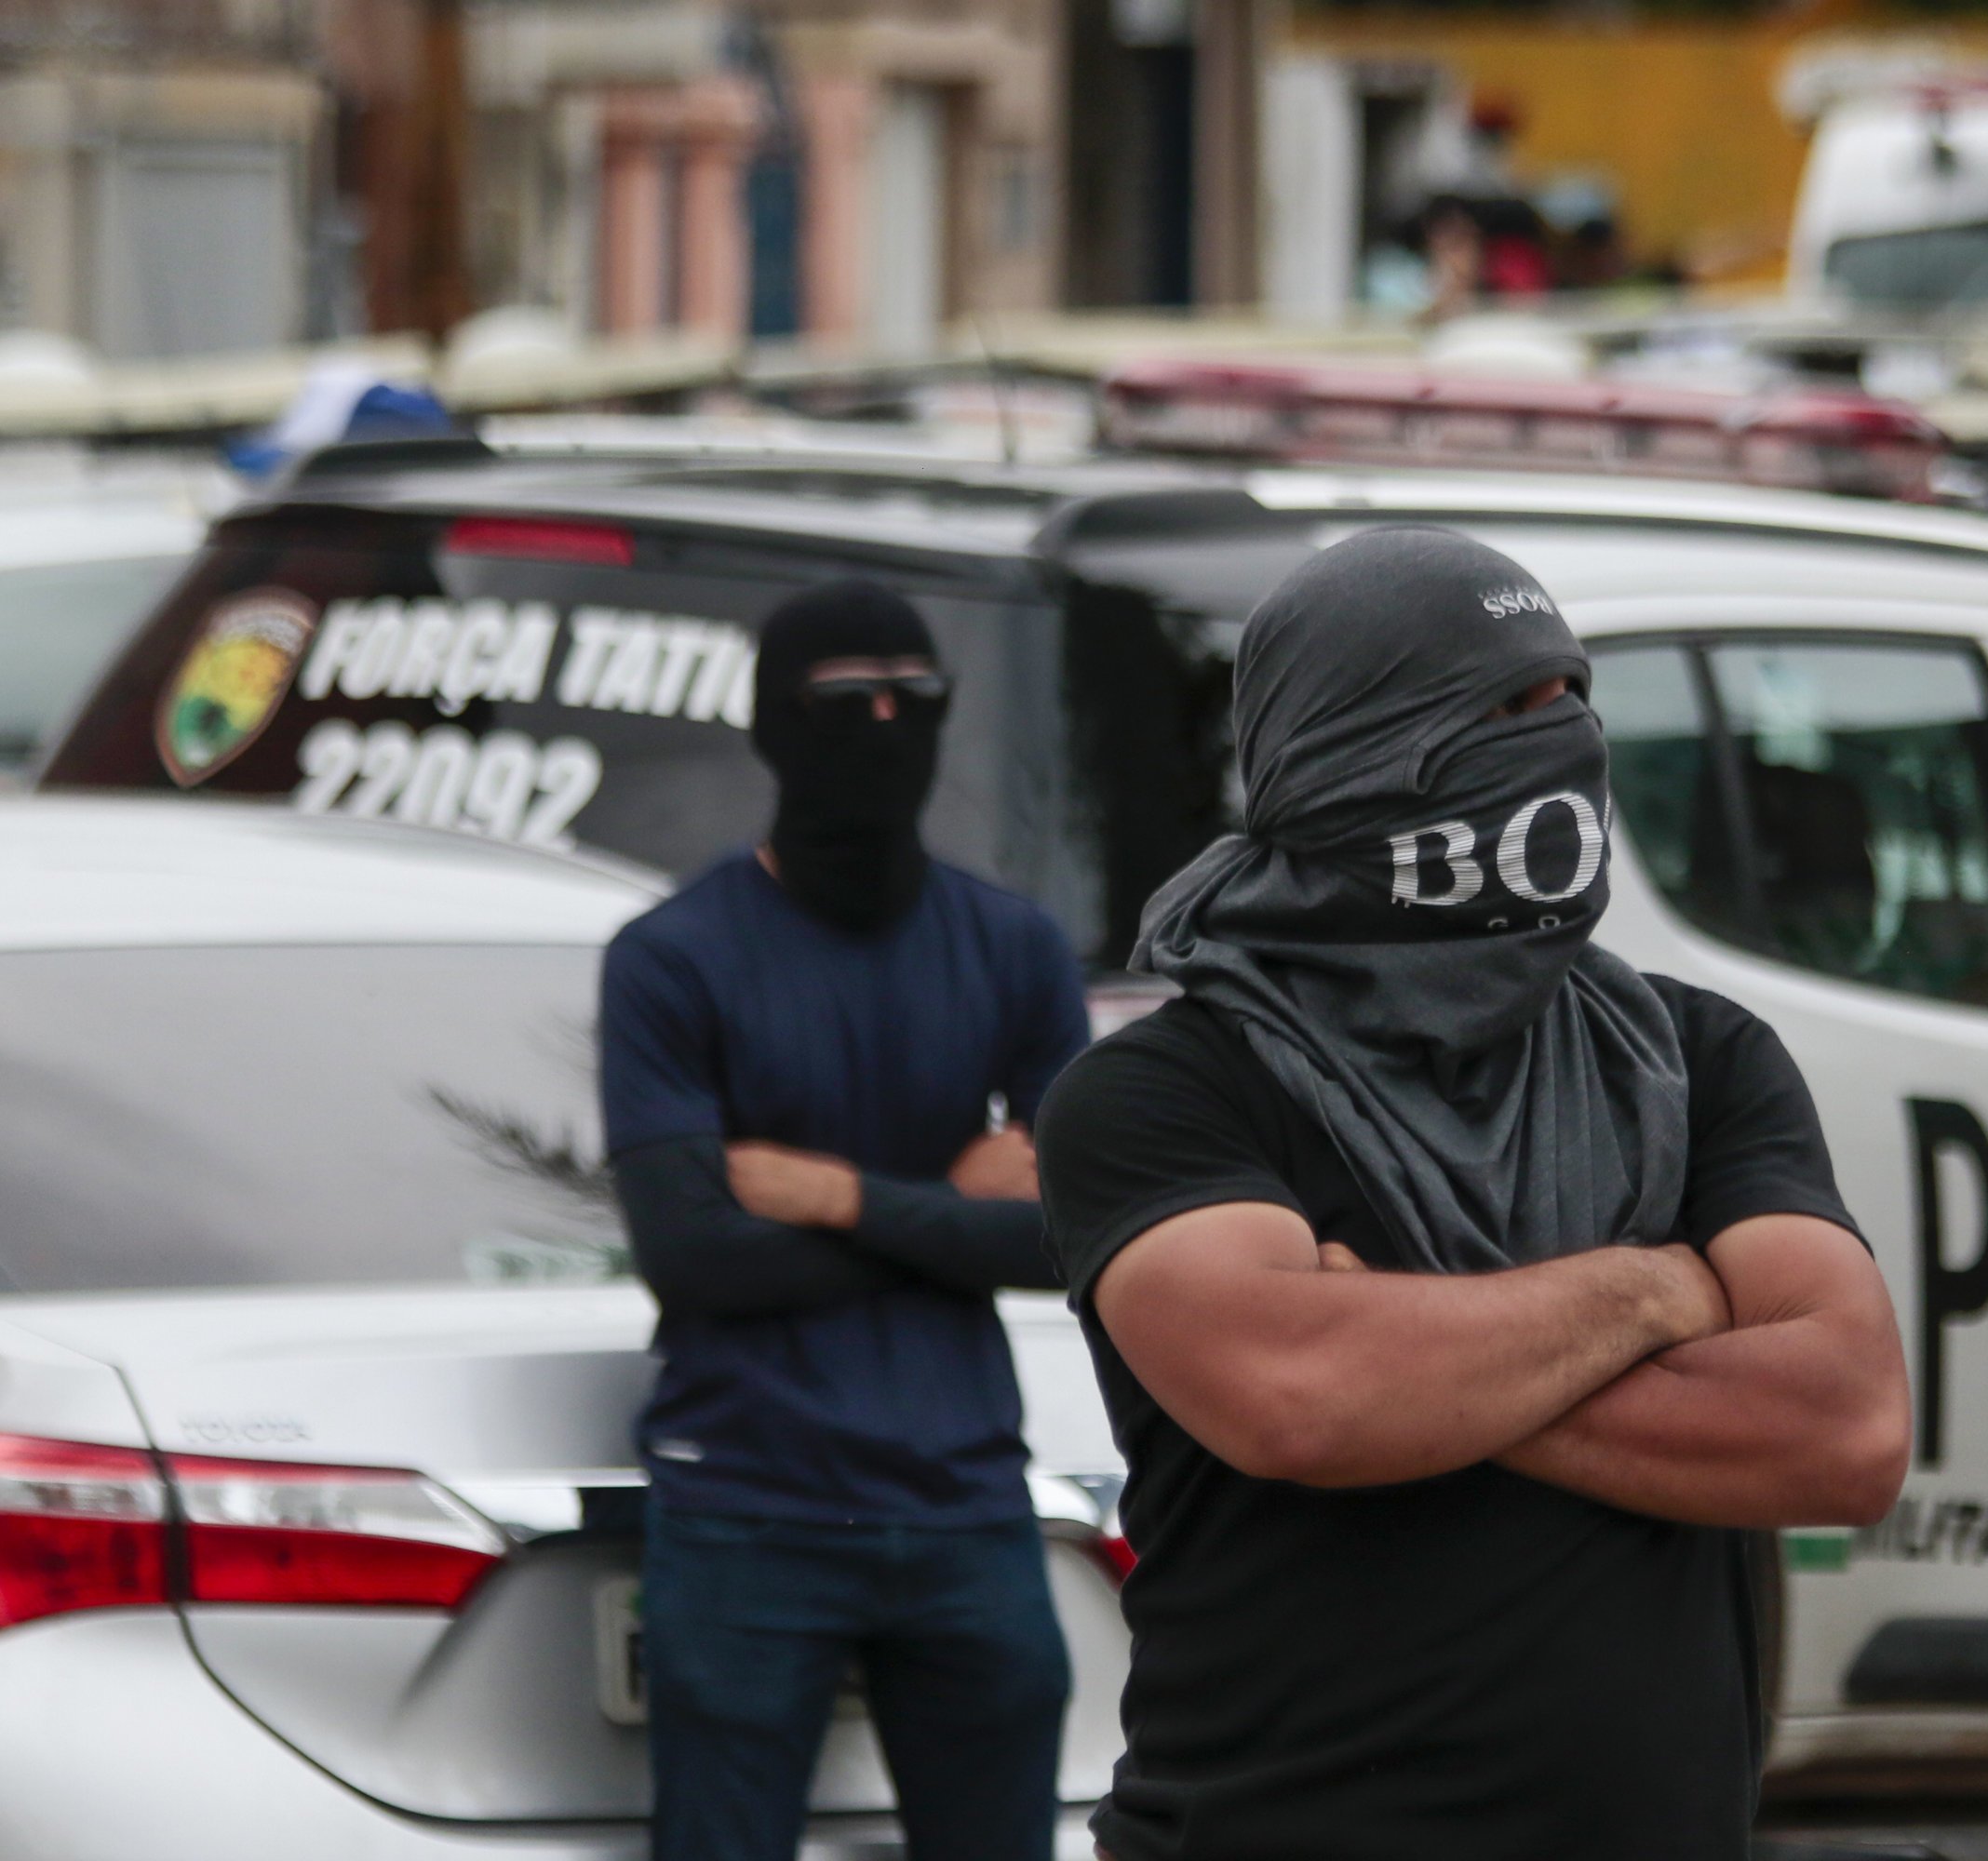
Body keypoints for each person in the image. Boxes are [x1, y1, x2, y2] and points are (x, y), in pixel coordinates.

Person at [1034, 529, 1911, 1861]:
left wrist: (1417, 1361)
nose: (1558, 740)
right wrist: (1656, 1286)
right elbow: (1304, 1402)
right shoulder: (1170, 1092)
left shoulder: (1695, 1058)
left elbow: (1844, 1434)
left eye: (1571, 700)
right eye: (1505, 710)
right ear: (1350, 752)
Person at [598, 580, 1091, 1861]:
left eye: (917, 701)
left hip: (968, 1505)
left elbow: (1072, 1242)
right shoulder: (672, 958)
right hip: (748, 1506)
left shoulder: (1015, 951)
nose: (886, 726)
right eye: (846, 702)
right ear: (772, 725)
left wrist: (840, 1195)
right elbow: (694, 1256)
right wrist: (946, 1209)